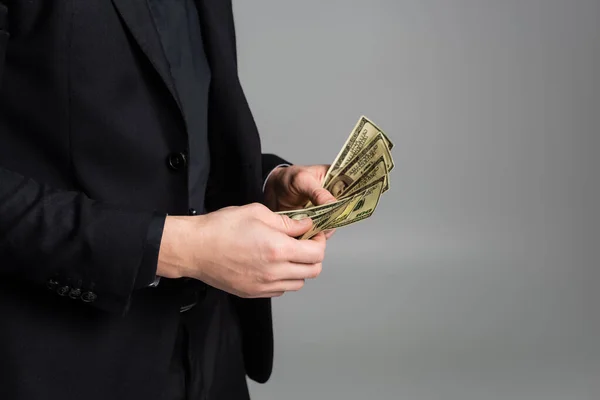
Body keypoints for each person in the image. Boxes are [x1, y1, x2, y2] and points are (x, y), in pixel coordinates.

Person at [0, 1, 336, 399]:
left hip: (211, 353)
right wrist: (176, 248)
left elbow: (180, 124)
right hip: (62, 363)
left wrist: (265, 183)